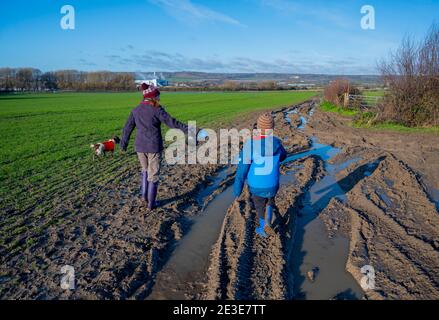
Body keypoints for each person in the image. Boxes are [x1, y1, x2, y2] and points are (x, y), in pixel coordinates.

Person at [120, 83, 189, 210]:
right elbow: (172, 122)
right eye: (158, 96)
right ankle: (151, 204)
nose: (159, 98)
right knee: (154, 175)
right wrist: (187, 129)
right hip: (153, 147)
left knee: (145, 171)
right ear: (152, 97)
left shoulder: (135, 110)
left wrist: (123, 144)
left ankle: (144, 198)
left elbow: (127, 128)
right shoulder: (157, 109)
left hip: (140, 147)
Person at [233, 113, 287, 238]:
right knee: (270, 198)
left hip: (256, 187)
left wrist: (237, 192)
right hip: (274, 184)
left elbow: (241, 173)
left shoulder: (250, 145)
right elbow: (284, 156)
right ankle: (269, 210)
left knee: (259, 205)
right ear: (272, 129)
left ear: (257, 128)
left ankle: (263, 227)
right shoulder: (277, 143)